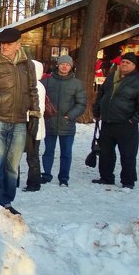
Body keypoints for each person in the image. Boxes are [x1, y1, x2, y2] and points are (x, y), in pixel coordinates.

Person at [0, 27, 38, 212]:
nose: (4, 46)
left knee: (13, 166)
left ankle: (7, 201)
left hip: (19, 121)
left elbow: (33, 90)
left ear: (18, 45)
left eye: (8, 43)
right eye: (2, 43)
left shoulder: (28, 65)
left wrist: (35, 113)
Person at [91, 52, 139, 189]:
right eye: (123, 62)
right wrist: (97, 111)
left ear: (134, 66)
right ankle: (106, 177)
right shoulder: (112, 76)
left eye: (128, 63)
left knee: (128, 155)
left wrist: (133, 120)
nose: (124, 64)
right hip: (108, 121)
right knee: (106, 153)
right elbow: (101, 95)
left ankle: (128, 181)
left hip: (126, 124)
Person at [41, 55, 87, 187]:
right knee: (48, 151)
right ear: (58, 65)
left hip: (67, 124)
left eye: (67, 64)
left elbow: (81, 104)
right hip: (49, 123)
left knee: (66, 153)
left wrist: (70, 115)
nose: (64, 66)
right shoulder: (47, 82)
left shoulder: (76, 84)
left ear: (71, 66)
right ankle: (46, 174)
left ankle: (64, 177)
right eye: (62, 64)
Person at [23, 60, 46, 191]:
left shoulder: (37, 86)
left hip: (32, 125)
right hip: (23, 123)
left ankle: (34, 183)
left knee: (32, 156)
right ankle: (14, 182)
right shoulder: (26, 84)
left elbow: (39, 108)